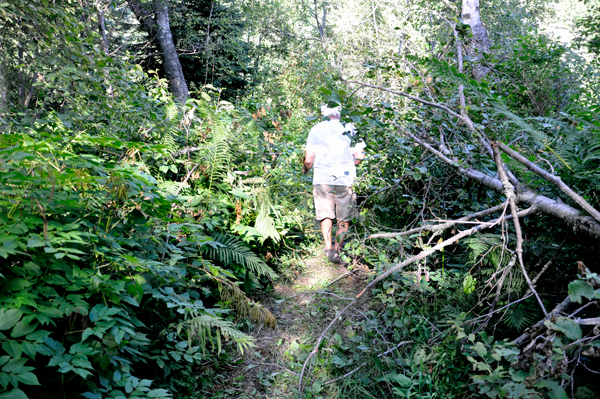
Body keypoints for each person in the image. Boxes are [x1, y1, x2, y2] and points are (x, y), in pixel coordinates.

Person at [302, 105, 365, 263]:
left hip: (322, 178)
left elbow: (309, 160)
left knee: (326, 215)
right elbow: (359, 157)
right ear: (340, 112)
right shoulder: (350, 128)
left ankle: (328, 248)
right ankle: (337, 250)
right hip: (345, 179)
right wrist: (349, 164)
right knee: (344, 218)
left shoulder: (316, 129)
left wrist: (305, 169)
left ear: (324, 112)